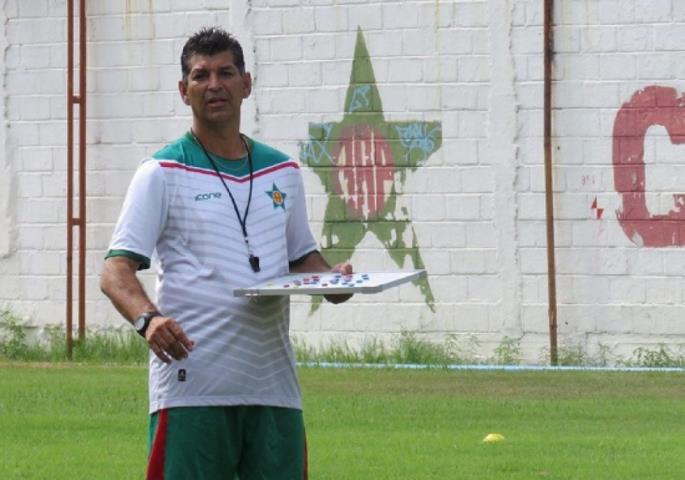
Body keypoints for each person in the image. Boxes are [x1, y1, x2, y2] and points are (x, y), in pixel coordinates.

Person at [100, 26, 352, 480]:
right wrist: (149, 320)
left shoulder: (284, 171)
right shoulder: (161, 171)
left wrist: (334, 280)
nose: (214, 85)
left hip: (272, 388)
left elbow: (302, 260)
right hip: (192, 388)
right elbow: (116, 271)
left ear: (246, 84)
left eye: (225, 72)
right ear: (184, 91)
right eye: (200, 76)